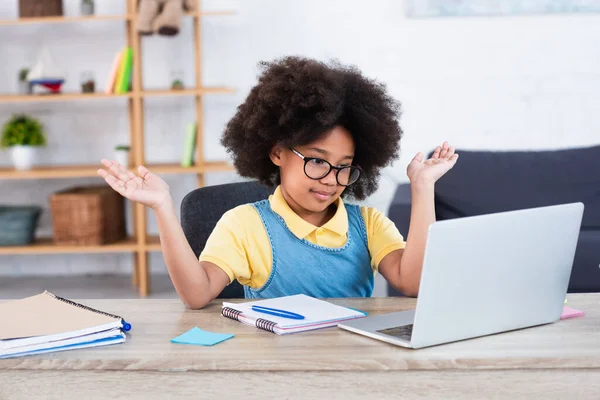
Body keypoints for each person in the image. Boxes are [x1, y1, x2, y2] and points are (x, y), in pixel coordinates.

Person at [98, 56, 458, 309]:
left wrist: (422, 188)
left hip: (353, 362)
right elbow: (197, 295)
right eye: (317, 161)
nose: (331, 181)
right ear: (277, 153)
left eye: (344, 167)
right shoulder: (244, 225)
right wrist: (162, 207)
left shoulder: (367, 225)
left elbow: (412, 283)